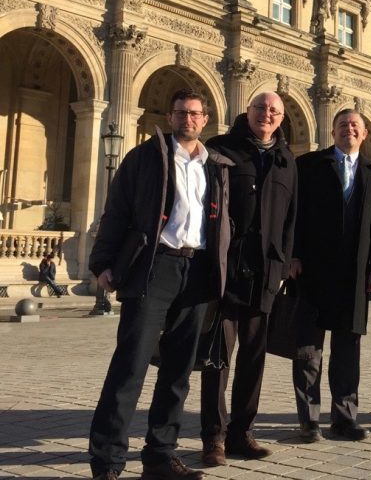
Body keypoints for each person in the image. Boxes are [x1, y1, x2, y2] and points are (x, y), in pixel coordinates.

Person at [88, 89, 232, 480]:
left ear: (206, 120)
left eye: (195, 114)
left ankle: (160, 456)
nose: (188, 118)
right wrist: (102, 262)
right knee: (130, 365)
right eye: (181, 112)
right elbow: (116, 209)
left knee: (179, 371)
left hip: (197, 270)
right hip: (155, 267)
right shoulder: (144, 157)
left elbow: (220, 224)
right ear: (170, 117)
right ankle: (107, 462)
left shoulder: (216, 165)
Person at [199, 92, 297, 467]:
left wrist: (284, 264)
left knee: (254, 358)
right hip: (225, 269)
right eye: (260, 108)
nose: (266, 115)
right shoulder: (220, 148)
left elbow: (292, 219)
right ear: (248, 111)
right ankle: (214, 436)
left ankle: (242, 431)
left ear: (280, 117)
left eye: (273, 110)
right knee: (217, 357)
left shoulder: (287, 160)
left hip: (265, 272)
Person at [289, 109, 371, 443]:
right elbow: (296, 215)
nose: (349, 129)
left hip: (355, 273)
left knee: (348, 349)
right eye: (343, 124)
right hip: (314, 270)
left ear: (364, 135)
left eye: (355, 126)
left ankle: (345, 417)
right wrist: (294, 255)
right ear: (332, 131)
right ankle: (309, 420)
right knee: (308, 350)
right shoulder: (309, 165)